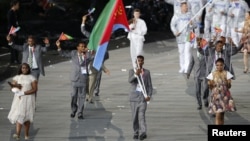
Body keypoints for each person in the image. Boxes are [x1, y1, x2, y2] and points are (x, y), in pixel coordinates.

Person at [56, 40, 93, 119]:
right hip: (74, 78)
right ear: (77, 47)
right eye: (81, 46)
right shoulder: (73, 53)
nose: (83, 48)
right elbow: (63, 54)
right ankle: (73, 110)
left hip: (83, 77)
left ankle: (80, 112)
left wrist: (88, 51)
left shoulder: (87, 55)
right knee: (73, 95)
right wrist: (59, 46)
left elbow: (94, 57)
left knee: (82, 96)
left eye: (84, 46)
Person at [6, 35, 50, 101]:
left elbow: (45, 49)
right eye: (29, 41)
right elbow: (15, 46)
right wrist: (10, 41)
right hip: (25, 71)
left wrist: (47, 44)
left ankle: (33, 102)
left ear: (34, 41)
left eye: (32, 41)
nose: (30, 42)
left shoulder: (38, 47)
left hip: (35, 71)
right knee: (24, 86)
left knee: (33, 87)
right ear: (27, 41)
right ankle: (23, 100)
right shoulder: (25, 47)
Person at [8, 63, 38, 140]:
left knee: (27, 116)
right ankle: (17, 134)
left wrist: (23, 93)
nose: (24, 69)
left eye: (26, 68)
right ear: (20, 69)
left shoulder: (32, 78)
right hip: (18, 99)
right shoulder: (17, 77)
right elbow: (13, 87)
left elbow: (34, 89)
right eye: (23, 68)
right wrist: (14, 88)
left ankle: (26, 134)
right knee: (19, 115)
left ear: (28, 69)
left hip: (28, 98)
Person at [128, 55, 152, 140]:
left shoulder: (147, 72)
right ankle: (136, 132)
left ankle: (143, 132)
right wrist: (136, 75)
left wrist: (149, 95)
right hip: (134, 98)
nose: (140, 62)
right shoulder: (132, 71)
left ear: (143, 62)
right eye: (138, 60)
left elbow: (149, 85)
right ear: (136, 62)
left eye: (141, 60)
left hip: (143, 98)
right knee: (134, 117)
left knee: (141, 116)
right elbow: (130, 80)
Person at [207, 58, 236, 125]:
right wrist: (210, 84)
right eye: (217, 65)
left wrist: (228, 82)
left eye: (221, 65)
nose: (219, 67)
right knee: (218, 114)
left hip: (225, 96)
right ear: (215, 65)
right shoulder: (212, 74)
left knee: (222, 115)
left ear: (223, 65)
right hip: (216, 96)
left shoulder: (227, 73)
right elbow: (211, 88)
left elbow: (229, 87)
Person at [170, 1, 193, 73]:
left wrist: (192, 24)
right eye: (184, 6)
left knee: (187, 51)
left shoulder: (190, 15)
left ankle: (187, 67)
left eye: (186, 6)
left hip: (188, 36)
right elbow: (172, 25)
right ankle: (182, 67)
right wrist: (175, 32)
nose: (186, 8)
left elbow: (195, 26)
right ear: (181, 7)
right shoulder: (177, 15)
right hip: (180, 36)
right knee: (181, 52)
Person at [186, 40, 209, 110]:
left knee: (205, 88)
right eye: (198, 42)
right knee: (197, 90)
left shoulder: (206, 51)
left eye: (200, 42)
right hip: (197, 74)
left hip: (205, 73)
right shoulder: (193, 52)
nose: (199, 44)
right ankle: (199, 104)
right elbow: (191, 63)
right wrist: (188, 72)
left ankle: (205, 99)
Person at [7, 0, 20, 64]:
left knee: (16, 44)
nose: (18, 6)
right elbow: (10, 23)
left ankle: (15, 59)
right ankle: (14, 59)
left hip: (16, 29)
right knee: (14, 45)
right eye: (17, 5)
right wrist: (12, 32)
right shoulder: (10, 12)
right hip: (12, 31)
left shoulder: (15, 12)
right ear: (14, 5)